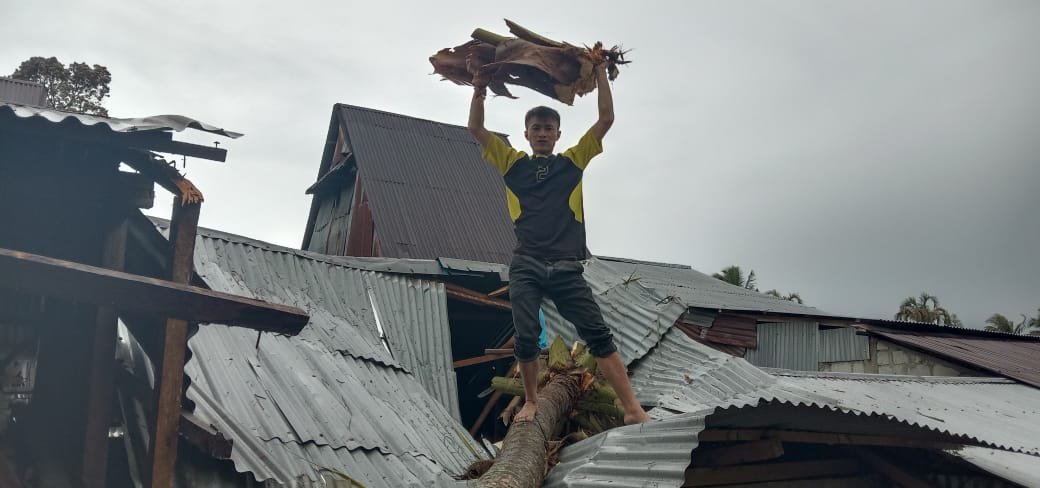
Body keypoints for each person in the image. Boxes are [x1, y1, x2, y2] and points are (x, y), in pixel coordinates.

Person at [467, 61, 651, 425]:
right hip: (528, 263)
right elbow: (475, 128)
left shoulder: (573, 162)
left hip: (567, 266)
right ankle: (532, 401)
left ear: (557, 133)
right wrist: (478, 87)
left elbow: (606, 120)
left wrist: (600, 73)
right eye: (536, 128)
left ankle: (633, 409)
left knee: (597, 333)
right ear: (526, 134)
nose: (542, 134)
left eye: (548, 128)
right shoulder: (510, 163)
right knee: (526, 335)